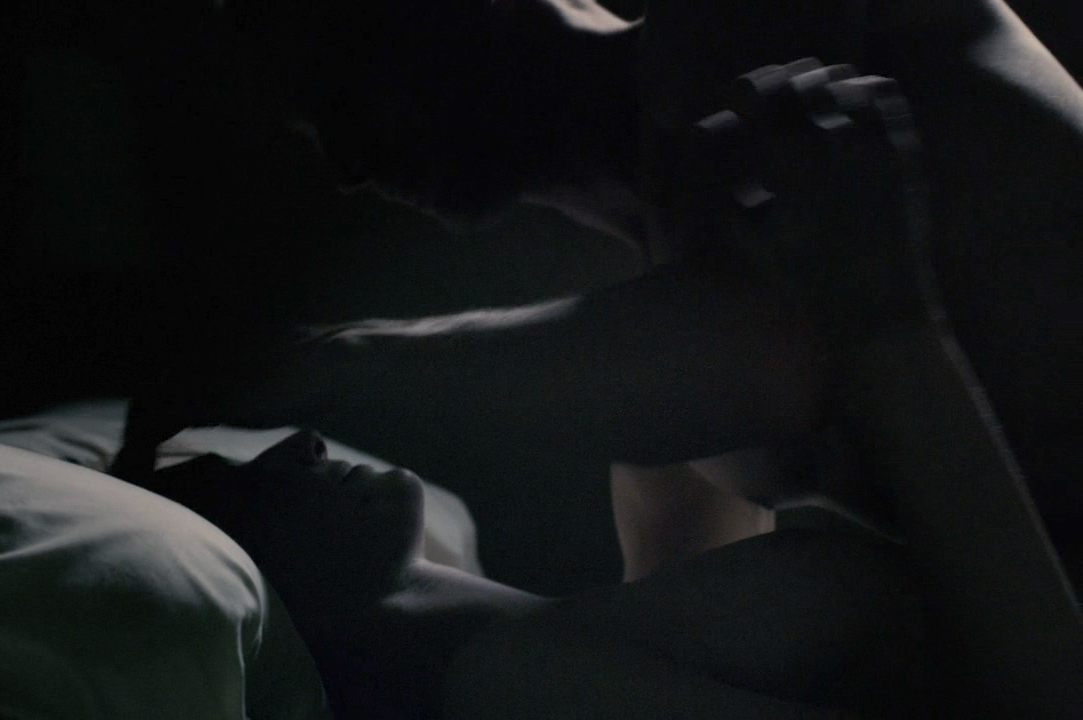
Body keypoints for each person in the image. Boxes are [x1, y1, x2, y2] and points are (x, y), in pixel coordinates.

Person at [139, 49, 1082, 716]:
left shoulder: (586, 639)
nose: (297, 446)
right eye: (220, 482)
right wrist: (893, 325)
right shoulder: (513, 682)